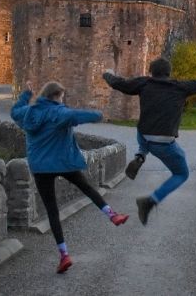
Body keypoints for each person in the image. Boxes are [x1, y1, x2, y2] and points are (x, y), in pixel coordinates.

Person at [11, 81, 128, 274]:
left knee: (52, 210)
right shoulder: (57, 112)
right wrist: (98, 114)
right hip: (63, 162)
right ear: (57, 96)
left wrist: (26, 95)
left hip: (40, 167)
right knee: (88, 188)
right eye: (62, 97)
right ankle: (112, 215)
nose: (62, 100)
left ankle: (64, 255)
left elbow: (15, 111)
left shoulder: (27, 112)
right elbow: (74, 115)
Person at [102, 58, 196, 225]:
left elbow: (119, 84)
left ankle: (141, 155)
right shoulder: (181, 87)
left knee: (143, 128)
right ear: (169, 72)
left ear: (151, 72)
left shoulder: (144, 83)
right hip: (163, 141)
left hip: (143, 134)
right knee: (182, 173)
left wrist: (107, 74)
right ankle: (150, 201)